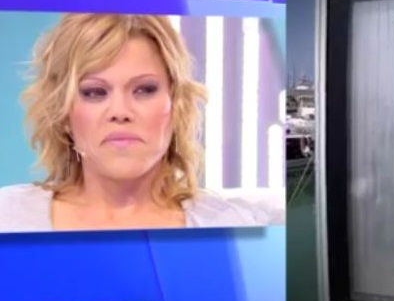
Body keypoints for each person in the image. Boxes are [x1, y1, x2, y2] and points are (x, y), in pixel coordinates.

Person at [0, 14, 277, 232]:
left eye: (144, 89)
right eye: (95, 92)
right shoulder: (9, 217)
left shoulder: (231, 225)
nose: (120, 112)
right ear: (63, 113)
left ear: (176, 104)